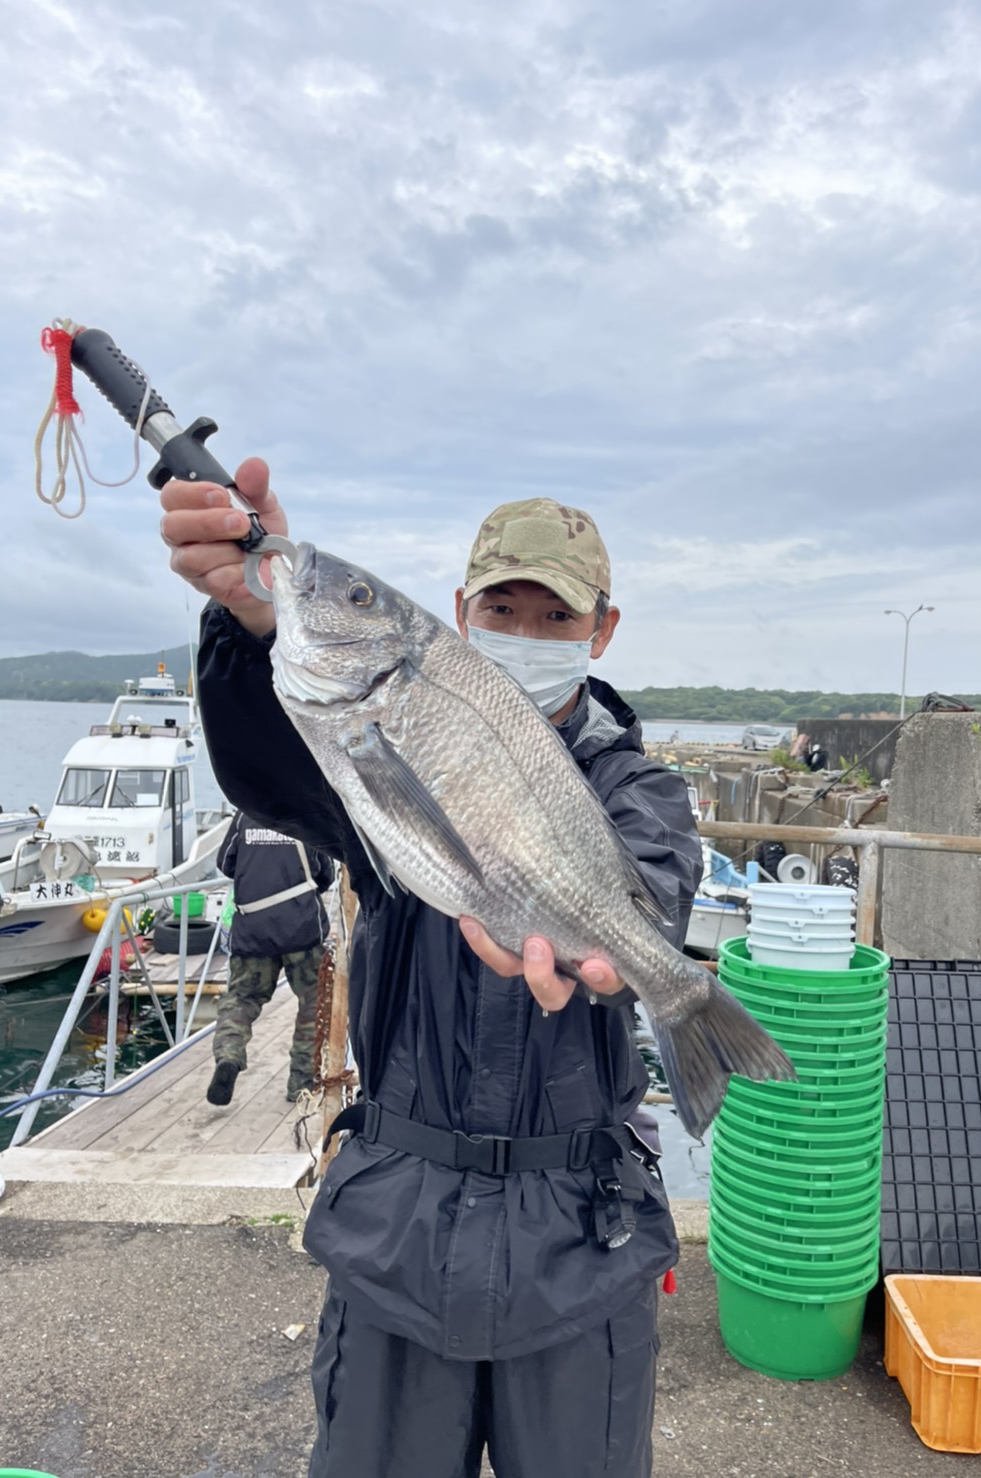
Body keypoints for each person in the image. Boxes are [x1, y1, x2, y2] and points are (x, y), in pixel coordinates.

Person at [160, 459, 703, 1478]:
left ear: (601, 630)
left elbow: (656, 888)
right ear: (459, 612)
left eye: (556, 615)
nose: (526, 631)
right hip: (395, 1226)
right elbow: (270, 770)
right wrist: (250, 621)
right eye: (503, 607)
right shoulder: (387, 747)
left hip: (580, 1237)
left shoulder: (640, 785)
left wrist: (633, 964)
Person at [206, 809, 335, 1107]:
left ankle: (229, 1056)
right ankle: (302, 1082)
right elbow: (324, 873)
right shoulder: (306, 812)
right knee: (315, 1001)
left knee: (241, 998)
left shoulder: (245, 813)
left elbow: (226, 864)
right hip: (301, 928)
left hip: (253, 927)